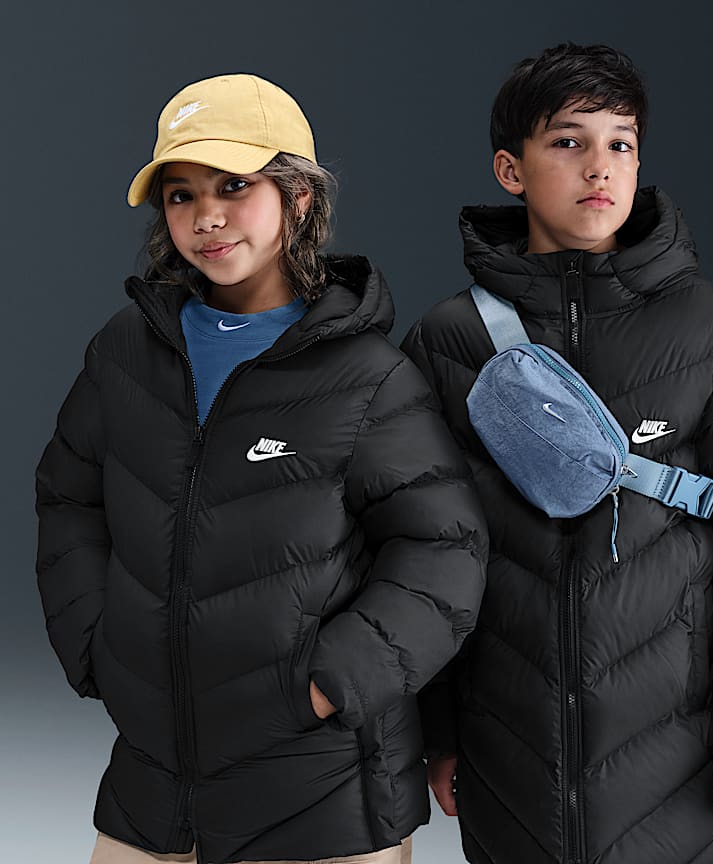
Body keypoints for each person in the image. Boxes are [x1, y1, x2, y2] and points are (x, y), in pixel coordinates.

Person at [401, 44, 713, 864]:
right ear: (510, 169)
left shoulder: (712, 332)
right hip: (509, 750)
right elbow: (421, 547)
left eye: (621, 143)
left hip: (678, 756)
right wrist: (440, 730)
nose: (599, 166)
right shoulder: (450, 341)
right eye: (568, 141)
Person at [35, 73, 487, 864]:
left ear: (299, 199)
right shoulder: (127, 351)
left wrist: (331, 685)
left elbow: (445, 549)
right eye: (180, 194)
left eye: (234, 186)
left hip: (321, 787)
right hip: (156, 783)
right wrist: (97, 643)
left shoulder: (366, 376)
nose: (206, 216)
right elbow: (69, 496)